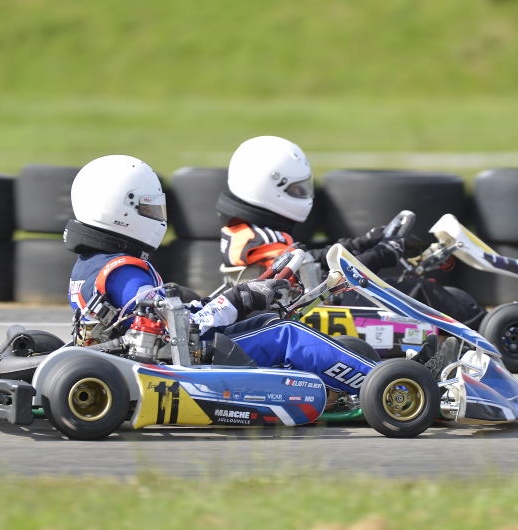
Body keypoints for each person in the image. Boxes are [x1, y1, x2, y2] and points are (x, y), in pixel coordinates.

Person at [62, 154, 448, 397]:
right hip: (175, 363)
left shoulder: (92, 265)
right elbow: (170, 330)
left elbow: (164, 316)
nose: (157, 220)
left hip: (156, 354)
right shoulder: (124, 270)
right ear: (120, 211)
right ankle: (398, 388)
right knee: (286, 334)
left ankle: (348, 382)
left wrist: (222, 302)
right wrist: (237, 299)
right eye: (148, 210)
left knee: (266, 321)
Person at [217, 135, 485, 328]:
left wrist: (361, 243)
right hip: (308, 314)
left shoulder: (246, 231)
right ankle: (492, 331)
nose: (302, 195)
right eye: (296, 190)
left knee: (445, 296)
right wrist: (380, 255)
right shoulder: (260, 239)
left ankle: (473, 323)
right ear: (268, 187)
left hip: (301, 305)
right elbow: (324, 280)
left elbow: (307, 259)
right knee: (417, 290)